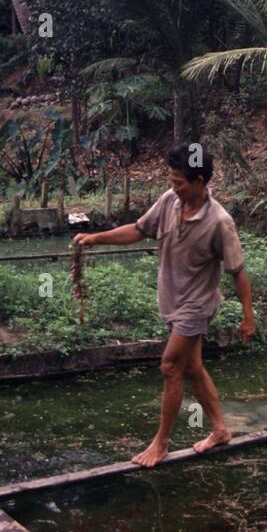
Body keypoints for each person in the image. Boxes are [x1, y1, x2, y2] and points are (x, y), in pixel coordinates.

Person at [74, 142, 255, 466]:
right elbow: (139, 230)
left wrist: (248, 316)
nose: (173, 187)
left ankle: (161, 442)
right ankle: (220, 430)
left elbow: (237, 272)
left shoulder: (219, 222)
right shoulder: (169, 202)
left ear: (200, 181)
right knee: (192, 367)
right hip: (171, 299)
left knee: (171, 366)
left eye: (179, 182)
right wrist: (96, 238)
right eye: (171, 181)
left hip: (196, 306)